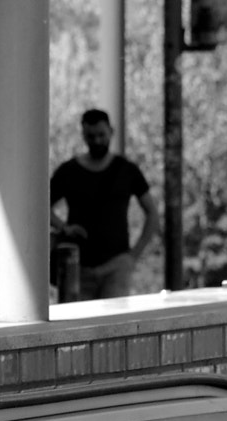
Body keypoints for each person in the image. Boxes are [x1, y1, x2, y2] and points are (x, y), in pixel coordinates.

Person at [51, 109, 158, 300]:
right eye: (91, 136)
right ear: (83, 135)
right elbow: (41, 207)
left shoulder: (126, 170)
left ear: (111, 132)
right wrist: (64, 228)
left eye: (102, 135)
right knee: (78, 324)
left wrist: (134, 255)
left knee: (114, 324)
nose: (97, 141)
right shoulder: (68, 171)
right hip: (78, 267)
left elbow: (151, 211)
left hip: (117, 264)